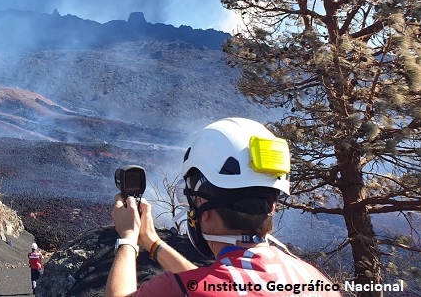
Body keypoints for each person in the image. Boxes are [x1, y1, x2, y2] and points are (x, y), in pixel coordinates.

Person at [105, 118, 340, 296]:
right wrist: (152, 242)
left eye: (191, 199)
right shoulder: (316, 280)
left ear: (204, 209)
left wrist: (128, 238)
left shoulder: (174, 289)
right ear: (272, 205)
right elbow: (212, 283)